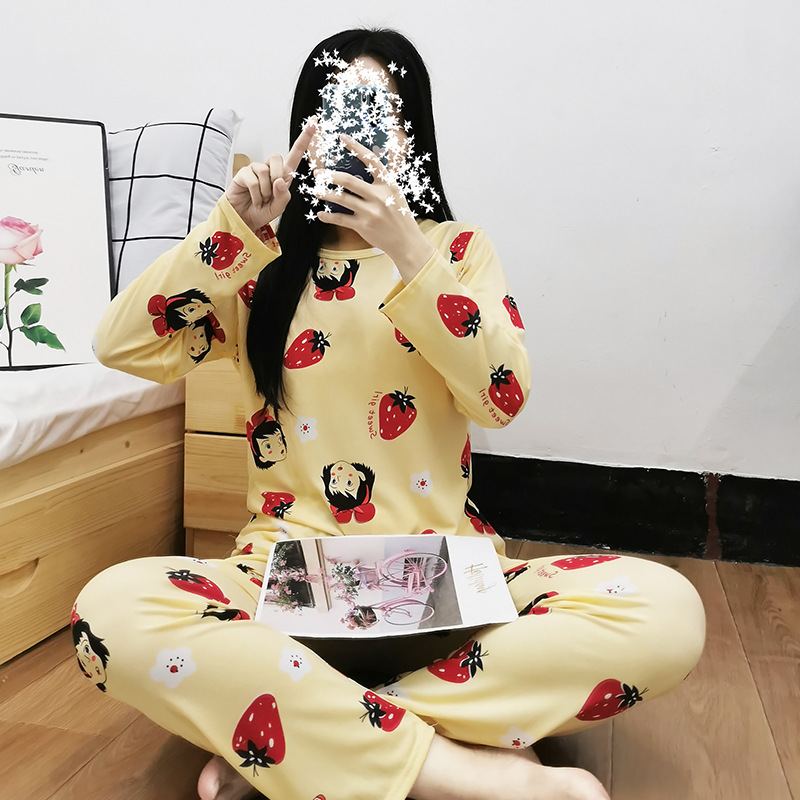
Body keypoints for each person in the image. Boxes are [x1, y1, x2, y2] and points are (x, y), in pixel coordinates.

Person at [74, 28, 705, 800]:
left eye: (383, 117)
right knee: (109, 613)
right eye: (340, 115)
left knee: (668, 613)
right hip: (284, 578)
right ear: (305, 133)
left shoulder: (456, 251)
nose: (360, 139)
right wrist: (230, 231)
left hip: (446, 580)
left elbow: (504, 397)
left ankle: (293, 734)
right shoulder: (259, 266)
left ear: (414, 139)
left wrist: (409, 249)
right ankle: (461, 767)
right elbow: (120, 344)